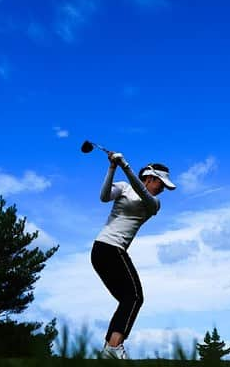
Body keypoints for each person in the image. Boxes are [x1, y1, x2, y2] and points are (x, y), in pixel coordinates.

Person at [91, 150, 176, 360]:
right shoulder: (123, 186)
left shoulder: (154, 204)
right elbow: (103, 197)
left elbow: (141, 192)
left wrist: (124, 165)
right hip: (107, 248)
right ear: (150, 178)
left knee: (128, 299)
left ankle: (109, 348)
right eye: (161, 184)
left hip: (108, 251)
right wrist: (112, 168)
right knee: (134, 297)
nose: (162, 189)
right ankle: (112, 348)